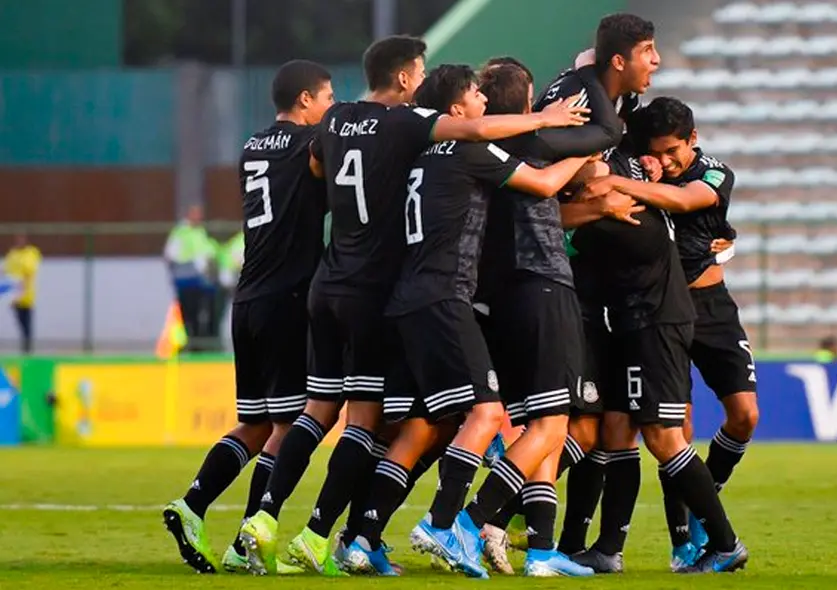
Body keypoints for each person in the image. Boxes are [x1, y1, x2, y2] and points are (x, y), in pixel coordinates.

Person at [238, 35, 590, 576]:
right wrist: (550, 121)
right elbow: (483, 137)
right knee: (394, 421)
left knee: (334, 414)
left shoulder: (339, 119)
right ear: (405, 80)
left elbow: (313, 167)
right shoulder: (411, 127)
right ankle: (412, 528)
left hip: (329, 283)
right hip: (388, 292)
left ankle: (278, 522)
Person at [337, 63, 595, 579]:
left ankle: (360, 537)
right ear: (456, 108)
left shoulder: (418, 152)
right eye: (473, 94)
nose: (480, 101)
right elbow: (542, 183)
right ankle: (446, 524)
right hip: (445, 297)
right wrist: (586, 146)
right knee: (487, 415)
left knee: (424, 426)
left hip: (407, 298)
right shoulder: (469, 148)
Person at [479, 13, 661, 574]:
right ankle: (467, 521)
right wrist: (600, 183)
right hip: (546, 287)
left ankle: (539, 549)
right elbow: (557, 191)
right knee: (558, 427)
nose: (656, 62)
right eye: (649, 51)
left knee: (572, 427)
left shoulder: (566, 109)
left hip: (546, 289)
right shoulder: (546, 129)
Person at [162, 59, 334, 574]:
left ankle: (192, 506)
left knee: (255, 424)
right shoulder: (309, 149)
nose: (329, 108)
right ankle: (248, 539)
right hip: (286, 299)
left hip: (249, 298)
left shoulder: (252, 147)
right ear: (305, 100)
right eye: (326, 97)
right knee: (290, 425)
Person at [573, 97, 756, 572]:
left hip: (707, 305)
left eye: (675, 151)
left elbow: (688, 200)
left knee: (743, 416)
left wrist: (618, 183)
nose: (668, 160)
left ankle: (704, 503)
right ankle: (681, 541)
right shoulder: (645, 164)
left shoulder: (711, 172)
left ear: (692, 141)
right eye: (660, 151)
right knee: (668, 427)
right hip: (657, 308)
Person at [164, 205, 216, 351]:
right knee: (189, 315)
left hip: (201, 280)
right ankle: (191, 345)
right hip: (186, 280)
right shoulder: (181, 233)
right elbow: (171, 255)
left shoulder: (200, 232)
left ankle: (200, 346)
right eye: (196, 214)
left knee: (203, 314)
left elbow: (206, 252)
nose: (199, 217)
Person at [3, 234, 41, 354]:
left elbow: (28, 273)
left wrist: (22, 289)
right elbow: (6, 270)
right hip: (14, 293)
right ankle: (25, 344)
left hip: (26, 294)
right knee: (19, 320)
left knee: (26, 321)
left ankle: (27, 347)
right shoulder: (13, 254)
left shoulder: (30, 254)